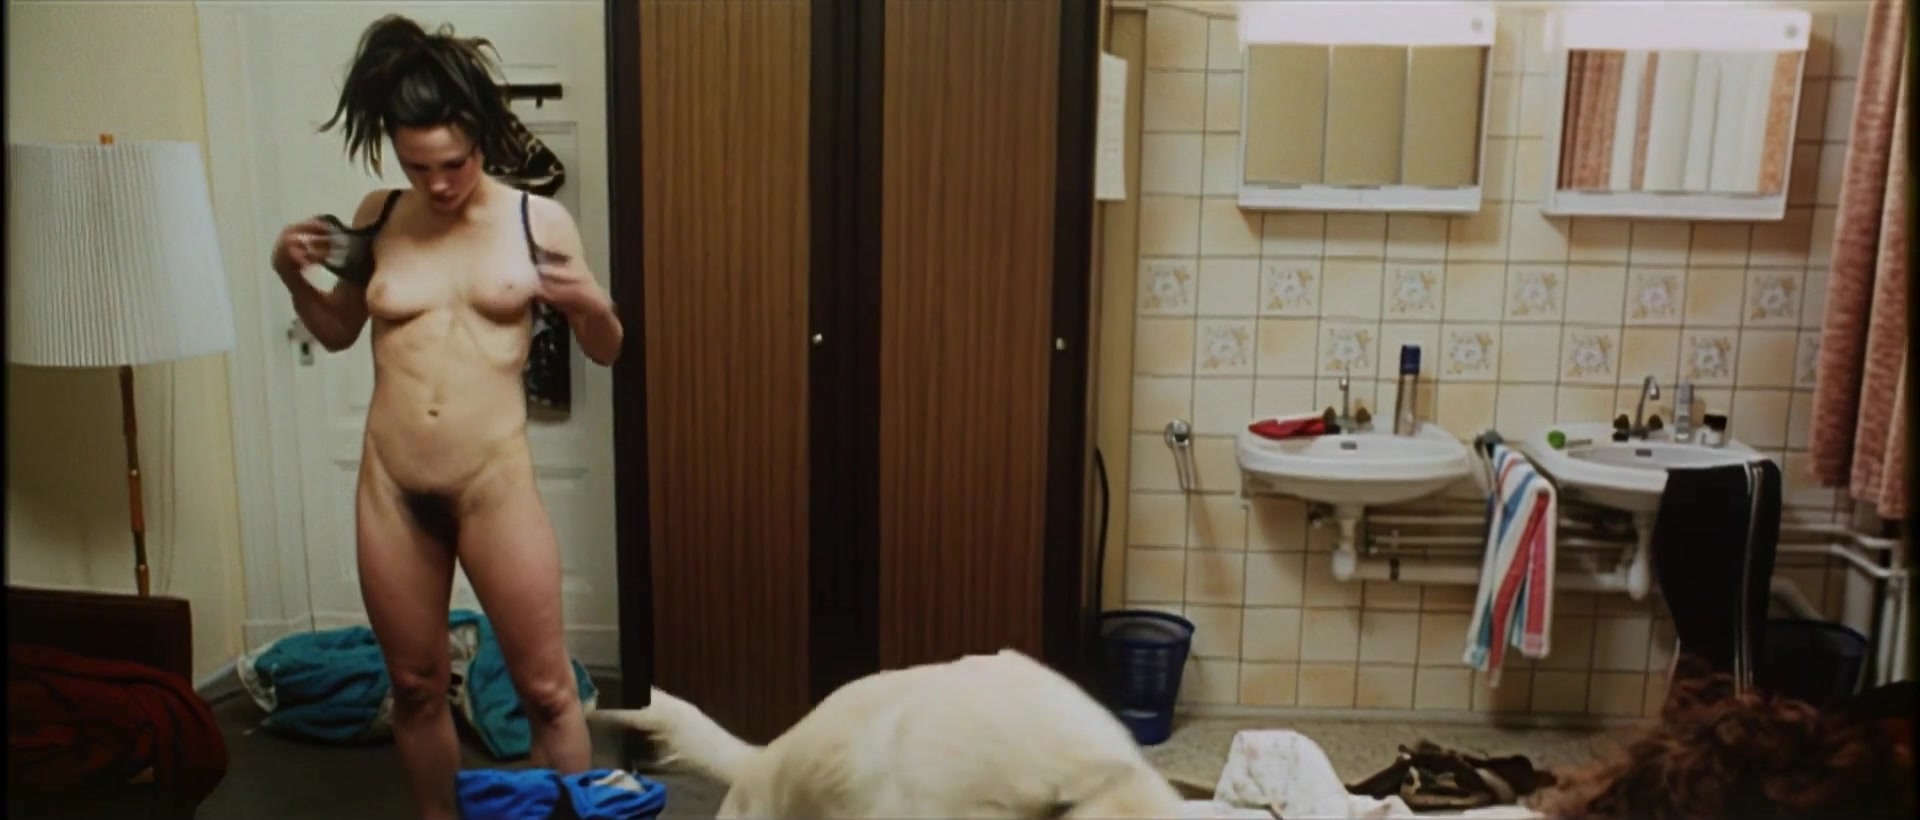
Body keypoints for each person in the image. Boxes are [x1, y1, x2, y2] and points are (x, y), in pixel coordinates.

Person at [268, 15, 621, 819]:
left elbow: (606, 349)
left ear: (481, 137)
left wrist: (591, 304)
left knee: (547, 691)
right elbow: (338, 330)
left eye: (453, 164)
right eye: (417, 166)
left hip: (494, 487)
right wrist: (291, 278)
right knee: (416, 686)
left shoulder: (537, 222)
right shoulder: (379, 215)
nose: (437, 184)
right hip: (392, 490)